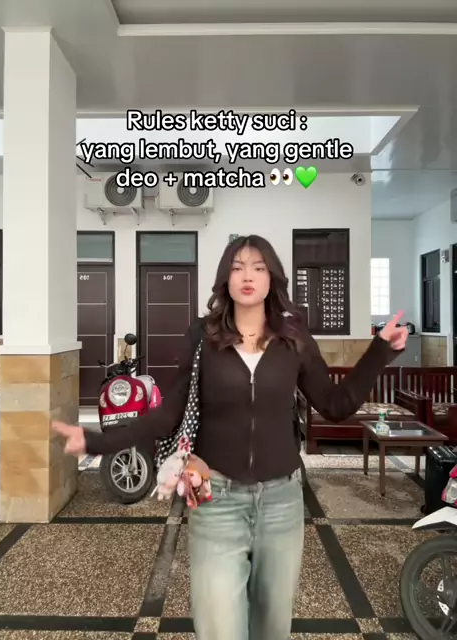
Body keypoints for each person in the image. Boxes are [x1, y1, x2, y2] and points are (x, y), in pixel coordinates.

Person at [53, 235, 408, 640]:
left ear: (272, 278)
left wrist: (379, 351)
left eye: (258, 267)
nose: (247, 276)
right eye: (238, 267)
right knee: (219, 626)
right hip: (216, 499)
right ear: (226, 277)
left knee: (272, 627)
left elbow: (335, 403)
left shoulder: (293, 337)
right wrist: (97, 442)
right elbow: (169, 414)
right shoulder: (203, 336)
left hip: (282, 501)